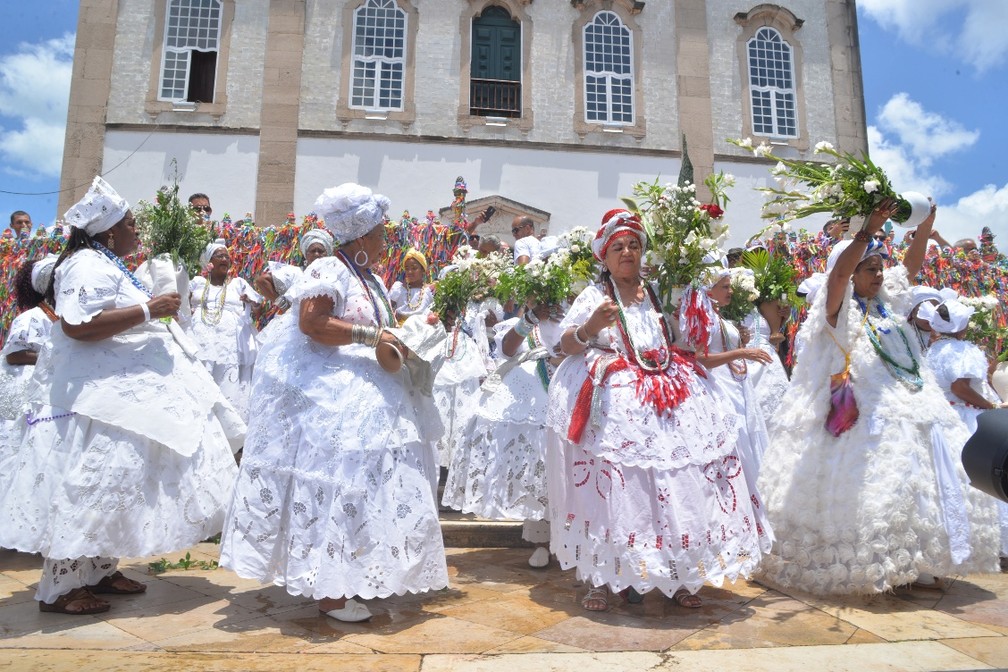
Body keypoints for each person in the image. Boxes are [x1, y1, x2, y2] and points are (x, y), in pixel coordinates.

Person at [0, 176, 239, 615]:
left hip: (117, 400)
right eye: (131, 224)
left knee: (116, 485)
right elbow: (76, 324)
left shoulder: (106, 262)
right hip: (93, 401)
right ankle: (63, 587)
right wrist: (151, 309)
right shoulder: (85, 264)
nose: (137, 230)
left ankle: (98, 570)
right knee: (86, 487)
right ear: (109, 231)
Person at [220, 183, 448, 623]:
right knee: (341, 483)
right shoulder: (330, 267)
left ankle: (358, 573)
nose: (386, 240)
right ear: (361, 237)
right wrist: (370, 336)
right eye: (380, 233)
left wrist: (414, 325)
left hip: (374, 393)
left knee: (372, 487)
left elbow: (379, 323)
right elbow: (313, 322)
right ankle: (329, 592)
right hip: (335, 398)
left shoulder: (373, 279)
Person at [757, 200, 1000, 595]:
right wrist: (867, 230)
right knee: (884, 486)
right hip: (860, 415)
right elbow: (836, 275)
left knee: (929, 481)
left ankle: (924, 558)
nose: (879, 273)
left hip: (914, 404)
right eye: (870, 267)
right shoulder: (837, 311)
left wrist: (923, 228)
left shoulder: (888, 307)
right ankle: (881, 565)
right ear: (850, 274)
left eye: (879, 267)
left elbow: (912, 269)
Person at [546, 209, 772, 611]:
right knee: (617, 489)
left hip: (669, 392)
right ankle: (603, 579)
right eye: (618, 247)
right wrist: (591, 326)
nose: (627, 252)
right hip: (616, 402)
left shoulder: (659, 292)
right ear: (604, 255)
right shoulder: (593, 297)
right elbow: (564, 345)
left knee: (681, 485)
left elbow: (687, 342)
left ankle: (682, 575)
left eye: (634, 244)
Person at [443, 301, 565, 568]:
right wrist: (529, 319)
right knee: (535, 467)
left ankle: (573, 541)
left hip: (569, 388)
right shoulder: (526, 322)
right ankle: (541, 542)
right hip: (531, 395)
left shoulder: (578, 313)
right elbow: (508, 349)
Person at [922, 298, 1008, 566]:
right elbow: (960, 388)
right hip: (967, 417)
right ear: (962, 327)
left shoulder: (933, 350)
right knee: (982, 476)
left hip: (942, 415)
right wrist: (991, 405)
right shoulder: (962, 351)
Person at [189, 240, 262, 426]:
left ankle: (230, 434)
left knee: (227, 386)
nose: (225, 259)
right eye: (219, 256)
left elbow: (258, 307)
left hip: (229, 345)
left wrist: (251, 302)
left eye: (227, 257)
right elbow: (179, 299)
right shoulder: (197, 283)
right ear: (209, 262)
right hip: (201, 343)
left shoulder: (238, 284)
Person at [0, 255, 59, 451]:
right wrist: (54, 358)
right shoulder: (30, 317)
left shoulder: (63, 318)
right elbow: (14, 354)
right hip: (25, 387)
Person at [253, 228, 334, 309]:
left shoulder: (334, 275)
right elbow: (261, 281)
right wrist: (283, 305)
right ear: (306, 254)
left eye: (320, 251)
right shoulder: (296, 273)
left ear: (327, 254)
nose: (316, 254)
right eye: (313, 251)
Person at [388, 249, 434, 323]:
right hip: (401, 330)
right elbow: (387, 308)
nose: (410, 272)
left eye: (414, 268)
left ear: (422, 269)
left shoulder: (430, 291)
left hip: (423, 330)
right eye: (407, 268)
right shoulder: (399, 288)